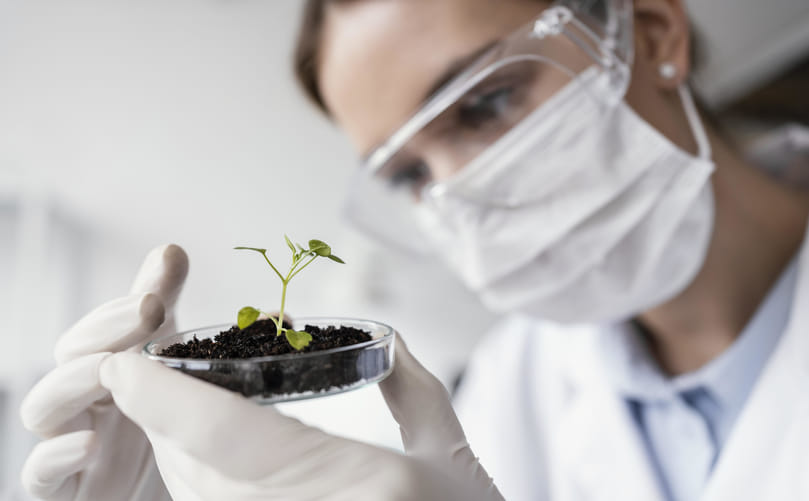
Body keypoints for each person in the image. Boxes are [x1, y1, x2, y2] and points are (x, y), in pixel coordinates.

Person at [18, 0, 809, 499]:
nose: (459, 191)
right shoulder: (511, 391)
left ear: (648, 32)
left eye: (485, 102)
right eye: (407, 174)